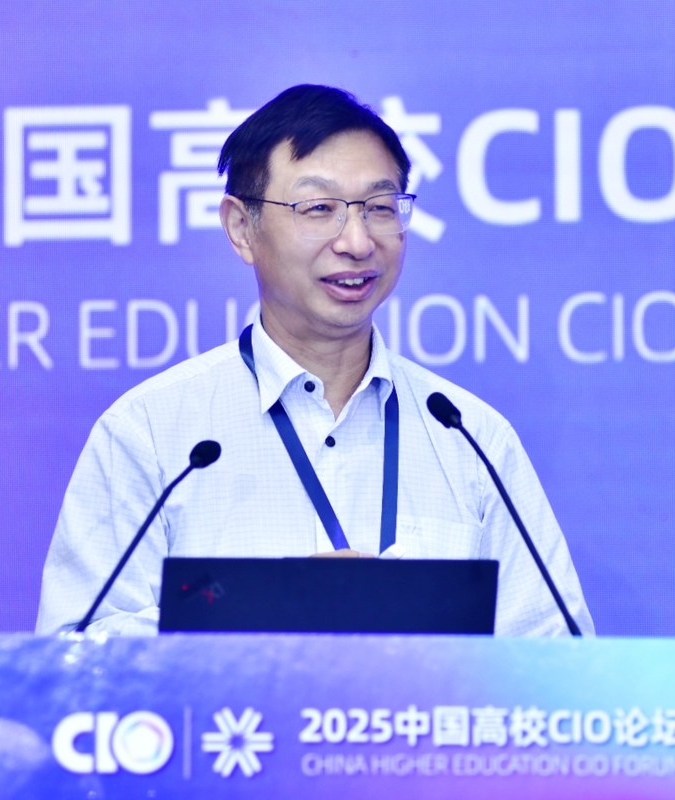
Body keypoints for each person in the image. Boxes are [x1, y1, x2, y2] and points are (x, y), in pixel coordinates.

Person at [36, 85, 594, 637]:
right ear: (241, 228)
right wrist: (272, 613)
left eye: (379, 208)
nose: (357, 241)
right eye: (319, 209)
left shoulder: (471, 438)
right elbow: (71, 653)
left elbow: (560, 657)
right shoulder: (151, 433)